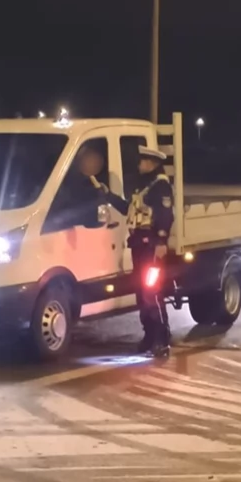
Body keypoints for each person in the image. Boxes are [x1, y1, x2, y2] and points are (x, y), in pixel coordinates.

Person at [82, 145, 174, 356]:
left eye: (143, 161)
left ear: (152, 163)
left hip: (152, 247)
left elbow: (166, 215)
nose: (139, 164)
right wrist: (109, 195)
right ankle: (149, 336)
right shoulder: (144, 186)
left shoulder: (160, 187)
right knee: (142, 293)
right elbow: (128, 209)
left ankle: (162, 339)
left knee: (152, 292)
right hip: (139, 245)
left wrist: (161, 241)